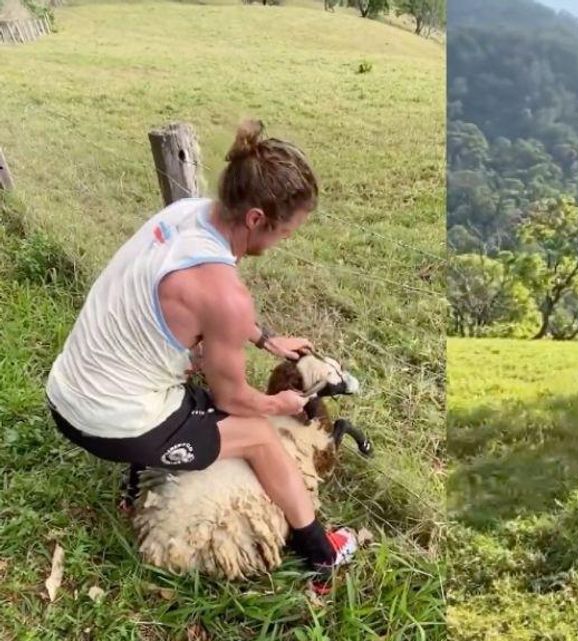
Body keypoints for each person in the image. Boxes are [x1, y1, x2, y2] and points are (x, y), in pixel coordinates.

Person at [45, 119, 357, 591]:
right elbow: (234, 399)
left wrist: (267, 339)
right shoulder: (225, 293)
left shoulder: (185, 216)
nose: (284, 241)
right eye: (286, 231)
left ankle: (137, 483)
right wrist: (282, 406)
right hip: (107, 419)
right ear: (255, 218)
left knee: (190, 393)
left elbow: (201, 309)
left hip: (67, 391)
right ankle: (322, 554)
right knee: (256, 434)